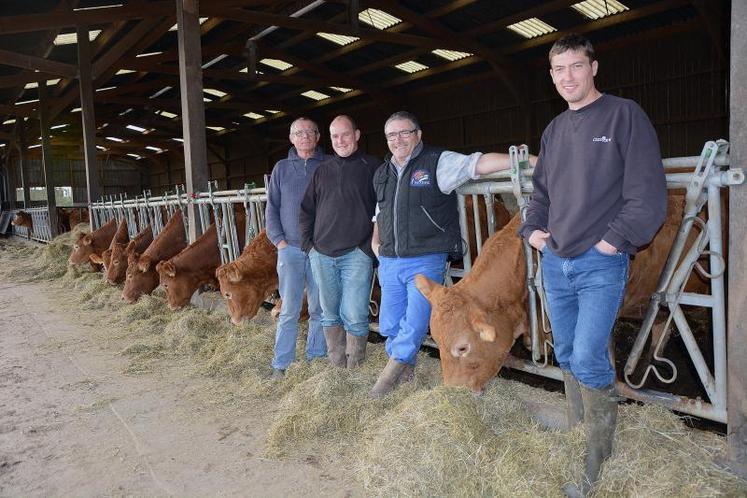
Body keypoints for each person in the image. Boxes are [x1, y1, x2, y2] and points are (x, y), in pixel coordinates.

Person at [518, 34, 667, 497]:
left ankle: (596, 462)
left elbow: (647, 192)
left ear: (594, 68)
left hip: (599, 261)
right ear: (551, 75)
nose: (568, 77)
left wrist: (612, 242)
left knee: (587, 355)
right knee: (565, 354)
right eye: (559, 70)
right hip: (556, 260)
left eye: (576, 67)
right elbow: (540, 193)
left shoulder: (624, 115)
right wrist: (533, 229)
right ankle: (584, 438)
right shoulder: (555, 129)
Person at [370, 110, 528, 398]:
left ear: (418, 135)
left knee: (416, 322)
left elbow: (477, 165)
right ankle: (405, 375)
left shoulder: (436, 161)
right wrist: (376, 244)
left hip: (424, 256)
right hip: (390, 259)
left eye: (405, 132)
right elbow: (379, 213)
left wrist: (524, 161)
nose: (398, 140)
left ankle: (386, 382)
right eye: (392, 135)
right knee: (391, 323)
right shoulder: (382, 173)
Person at [299, 115, 380, 369]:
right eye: (335, 136)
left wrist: (368, 250)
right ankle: (337, 368)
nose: (340, 140)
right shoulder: (322, 171)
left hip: (357, 254)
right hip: (322, 254)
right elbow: (305, 210)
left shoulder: (373, 167)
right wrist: (309, 247)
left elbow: (383, 210)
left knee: (355, 314)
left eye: (345, 134)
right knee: (329, 313)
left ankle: (355, 368)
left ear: (356, 135)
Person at [265, 117, 328, 378]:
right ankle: (281, 364)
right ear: (291, 138)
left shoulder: (328, 165)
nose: (304, 137)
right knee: (289, 308)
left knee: (319, 307)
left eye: (310, 132)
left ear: (317, 136)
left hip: (320, 249)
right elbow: (272, 208)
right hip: (289, 248)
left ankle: (315, 357)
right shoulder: (281, 168)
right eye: (298, 133)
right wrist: (279, 241)